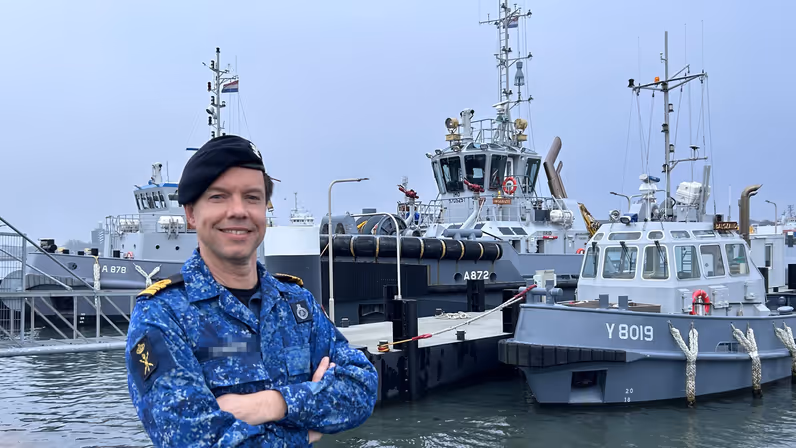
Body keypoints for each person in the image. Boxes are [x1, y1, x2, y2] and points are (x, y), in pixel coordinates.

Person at [124, 134, 379, 447]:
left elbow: (361, 389)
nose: (238, 211)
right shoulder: (163, 314)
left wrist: (271, 404)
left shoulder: (296, 303)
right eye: (218, 196)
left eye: (252, 197)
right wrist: (305, 431)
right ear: (191, 214)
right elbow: (194, 440)